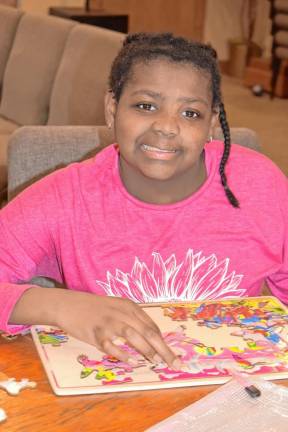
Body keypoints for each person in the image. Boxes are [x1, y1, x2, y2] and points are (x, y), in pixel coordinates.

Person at [0, 33, 287, 368]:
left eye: (190, 113)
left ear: (212, 123)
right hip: (116, 399)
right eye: (146, 106)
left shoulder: (260, 186)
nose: (166, 126)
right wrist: (61, 306)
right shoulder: (66, 198)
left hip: (236, 392)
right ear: (112, 109)